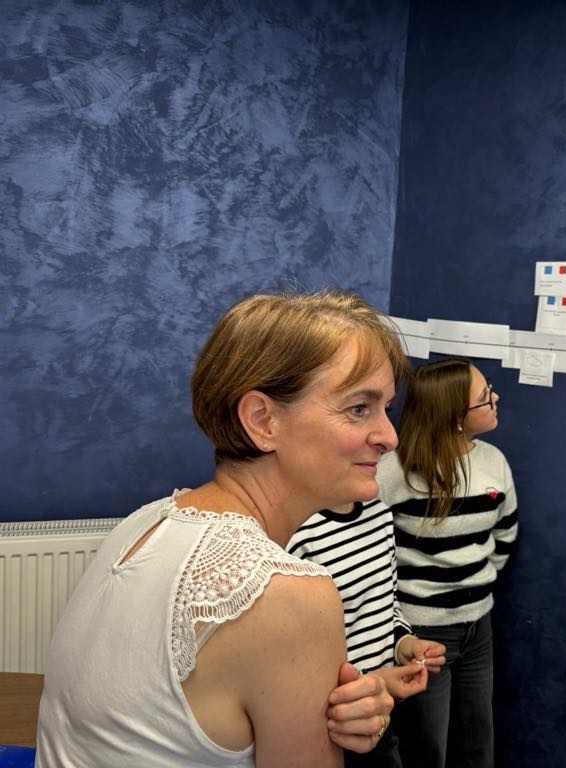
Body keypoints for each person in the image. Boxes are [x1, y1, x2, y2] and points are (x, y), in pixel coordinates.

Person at [36, 290, 409, 767]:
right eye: (359, 408)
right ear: (262, 420)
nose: (389, 436)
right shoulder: (286, 594)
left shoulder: (147, 521)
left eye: (386, 408)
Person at [378, 358, 519, 768]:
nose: (495, 398)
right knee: (427, 747)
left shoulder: (494, 462)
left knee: (478, 742)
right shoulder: (393, 472)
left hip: (478, 627)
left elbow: (505, 534)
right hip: (422, 631)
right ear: (456, 417)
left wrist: (474, 585)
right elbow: (372, 551)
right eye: (484, 397)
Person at [289, 497, 447, 767]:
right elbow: (297, 655)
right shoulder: (298, 534)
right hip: (338, 724)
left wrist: (404, 643)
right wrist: (370, 681)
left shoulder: (380, 514)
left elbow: (388, 603)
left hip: (385, 713)